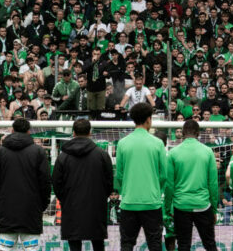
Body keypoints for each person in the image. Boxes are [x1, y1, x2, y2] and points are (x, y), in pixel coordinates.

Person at [53, 118, 114, 251]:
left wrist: (67, 199)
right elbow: (109, 182)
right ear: (90, 132)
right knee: (98, 244)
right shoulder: (102, 155)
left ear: (73, 133)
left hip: (72, 206)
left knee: (74, 245)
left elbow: (56, 184)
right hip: (96, 207)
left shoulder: (63, 157)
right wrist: (101, 196)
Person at [0, 117, 51, 251]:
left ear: (12, 130)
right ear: (29, 132)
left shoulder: (0, 152)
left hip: (6, 212)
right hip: (31, 212)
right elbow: (45, 182)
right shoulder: (39, 151)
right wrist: (42, 205)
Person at [116, 102, 168, 251]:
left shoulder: (122, 143)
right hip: (152, 202)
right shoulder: (157, 143)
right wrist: (155, 189)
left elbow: (119, 174)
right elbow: (164, 175)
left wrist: (126, 189)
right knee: (155, 244)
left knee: (126, 244)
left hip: (129, 201)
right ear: (148, 119)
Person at [166, 119, 219, 251]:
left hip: (181, 205)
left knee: (183, 245)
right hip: (202, 204)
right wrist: (214, 208)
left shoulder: (173, 153)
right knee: (210, 244)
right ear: (198, 133)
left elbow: (169, 185)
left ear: (183, 133)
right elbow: (213, 183)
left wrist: (167, 207)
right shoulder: (207, 152)